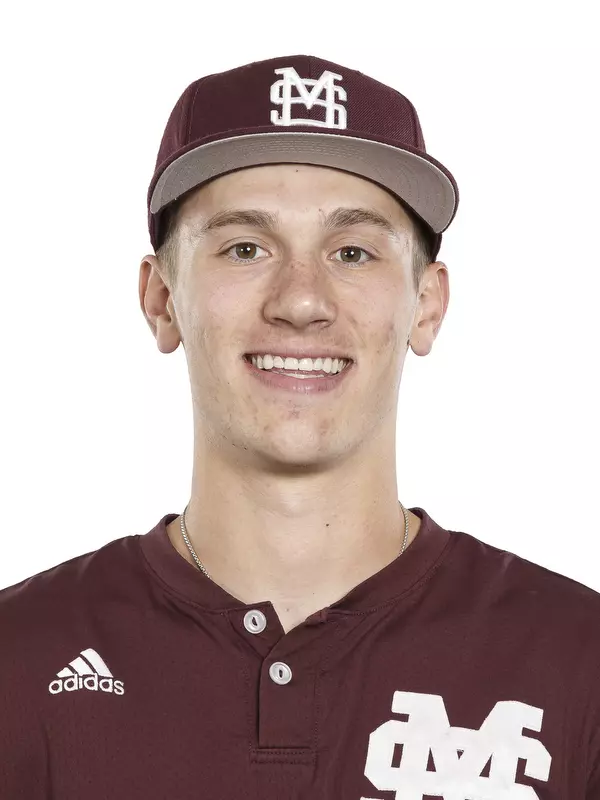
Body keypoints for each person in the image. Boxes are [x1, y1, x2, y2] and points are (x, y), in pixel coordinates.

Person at [1, 54, 598, 799]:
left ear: (428, 304)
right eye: (245, 248)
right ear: (161, 300)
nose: (302, 300)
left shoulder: (578, 662)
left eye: (353, 252)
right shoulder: (19, 663)